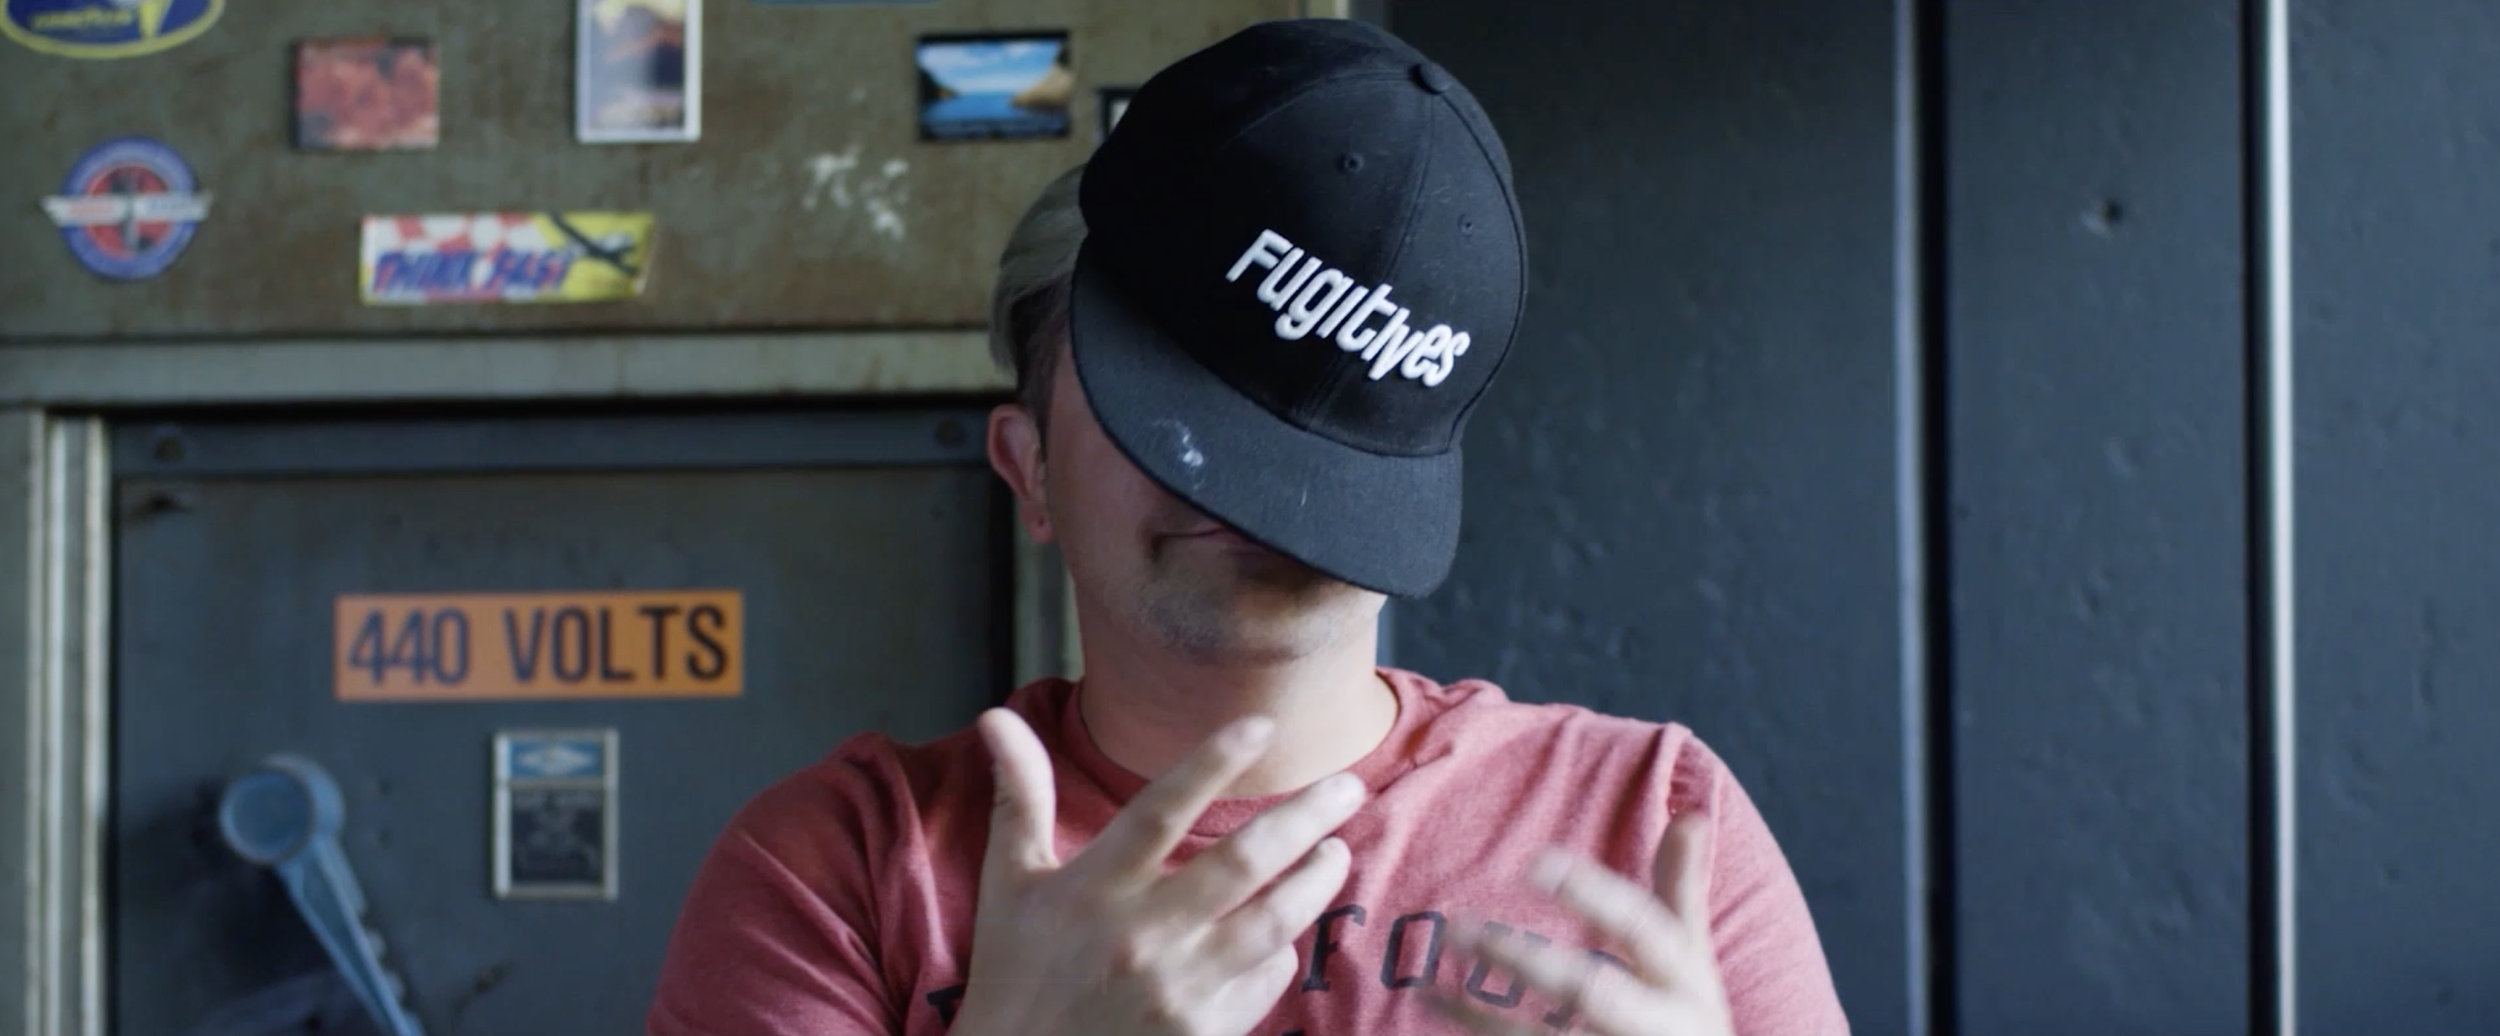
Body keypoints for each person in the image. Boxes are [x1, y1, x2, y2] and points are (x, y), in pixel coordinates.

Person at [646, 18, 1848, 1036]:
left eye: (1301, 449)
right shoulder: (840, 870)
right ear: (1028, 470)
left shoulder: (1651, 819)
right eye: (1184, 410)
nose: (1245, 491)